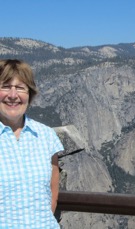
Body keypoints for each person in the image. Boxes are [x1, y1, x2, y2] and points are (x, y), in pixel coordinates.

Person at [0, 59, 64, 228]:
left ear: (29, 94)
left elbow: (52, 194)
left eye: (20, 88)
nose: (12, 95)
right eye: (5, 86)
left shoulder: (46, 136)